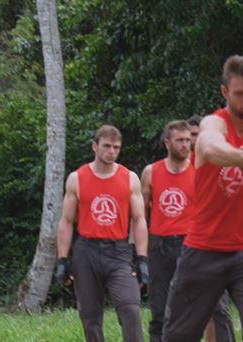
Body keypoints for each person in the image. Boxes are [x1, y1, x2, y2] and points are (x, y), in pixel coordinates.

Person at [162, 55, 243, 342]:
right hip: (203, 248)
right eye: (240, 94)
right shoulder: (213, 123)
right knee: (178, 336)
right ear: (224, 92)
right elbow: (208, 148)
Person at [141, 120, 234, 342]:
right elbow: (141, 217)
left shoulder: (201, 169)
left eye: (187, 140)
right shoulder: (151, 172)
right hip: (160, 244)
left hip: (196, 243)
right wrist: (139, 253)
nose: (185, 144)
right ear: (167, 143)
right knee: (161, 310)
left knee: (216, 307)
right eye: (180, 140)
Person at [55, 125, 149, 342]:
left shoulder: (130, 178)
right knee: (89, 316)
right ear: (95, 147)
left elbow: (139, 220)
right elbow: (66, 221)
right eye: (107, 146)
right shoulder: (77, 178)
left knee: (130, 307)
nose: (112, 151)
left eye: (116, 147)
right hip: (86, 250)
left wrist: (142, 258)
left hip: (118, 251)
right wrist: (62, 260)